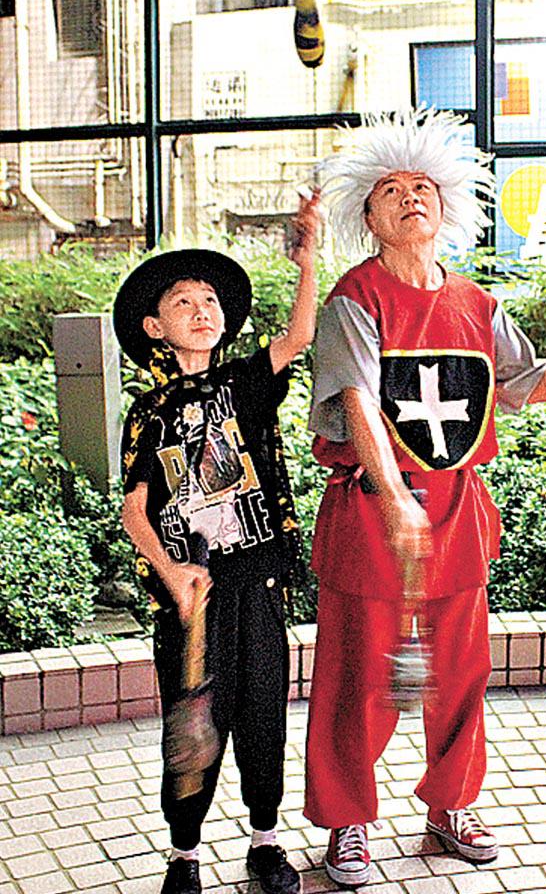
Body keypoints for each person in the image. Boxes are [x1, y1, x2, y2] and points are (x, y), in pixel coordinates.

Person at [302, 108, 546, 886]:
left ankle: (450, 806)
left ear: (445, 205)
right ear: (370, 218)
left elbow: (525, 382)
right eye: (391, 190)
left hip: (456, 512)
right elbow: (357, 402)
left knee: (459, 671)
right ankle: (348, 821)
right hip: (371, 510)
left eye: (423, 187)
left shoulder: (477, 303)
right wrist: (394, 498)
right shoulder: (356, 299)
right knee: (359, 678)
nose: (411, 198)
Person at [112, 190, 320, 894]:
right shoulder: (149, 412)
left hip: (256, 581)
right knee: (191, 727)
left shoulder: (245, 385)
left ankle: (266, 840)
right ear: (154, 327)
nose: (201, 310)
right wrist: (171, 574)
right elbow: (134, 511)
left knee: (263, 714)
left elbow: (298, 335)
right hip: (190, 594)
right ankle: (184, 854)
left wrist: (307, 258)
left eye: (210, 301)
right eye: (183, 302)